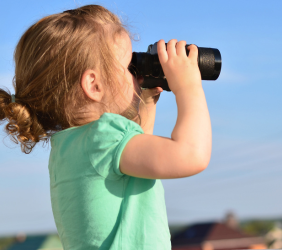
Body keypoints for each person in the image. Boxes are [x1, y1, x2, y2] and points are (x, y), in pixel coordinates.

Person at [0, 4, 212, 250]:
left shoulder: (71, 147)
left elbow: (139, 163)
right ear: (94, 84)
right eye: (127, 67)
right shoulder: (105, 138)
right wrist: (188, 85)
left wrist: (145, 102)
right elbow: (192, 154)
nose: (135, 74)